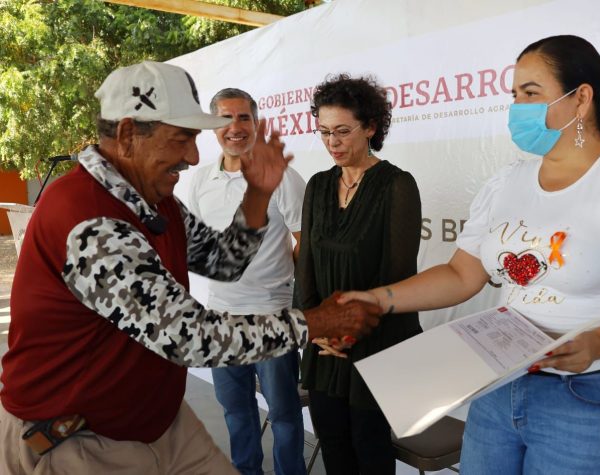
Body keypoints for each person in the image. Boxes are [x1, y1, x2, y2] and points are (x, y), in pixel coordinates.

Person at [340, 35, 600, 475]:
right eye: (515, 95)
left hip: (587, 400)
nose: (517, 108)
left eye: (531, 94)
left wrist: (597, 342)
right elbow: (463, 274)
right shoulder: (507, 182)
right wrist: (379, 299)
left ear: (581, 100)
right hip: (499, 387)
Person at [0, 61, 380, 475]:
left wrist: (257, 194)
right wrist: (316, 322)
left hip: (154, 422)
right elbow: (188, 337)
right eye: (181, 139)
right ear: (128, 135)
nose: (193, 156)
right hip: (80, 441)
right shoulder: (89, 219)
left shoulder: (150, 197)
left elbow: (221, 260)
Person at [297, 74, 423, 474]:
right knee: (333, 447)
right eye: (324, 132)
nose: (332, 142)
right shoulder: (317, 186)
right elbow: (307, 268)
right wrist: (317, 328)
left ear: (370, 127)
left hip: (375, 344)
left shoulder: (397, 186)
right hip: (323, 346)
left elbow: (398, 277)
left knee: (370, 451)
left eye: (342, 131)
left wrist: (348, 333)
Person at [188, 88, 307, 475]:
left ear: (256, 124)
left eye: (243, 118)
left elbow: (304, 243)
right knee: (237, 413)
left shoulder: (284, 177)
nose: (234, 128)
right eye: (225, 119)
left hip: (272, 318)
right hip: (220, 320)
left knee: (286, 415)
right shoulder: (201, 180)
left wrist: (280, 288)